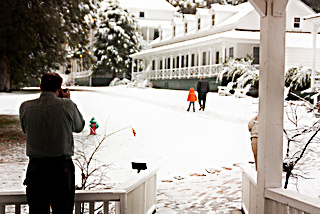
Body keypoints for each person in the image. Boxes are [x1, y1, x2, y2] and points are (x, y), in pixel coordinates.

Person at [19, 72, 85, 214]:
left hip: (36, 168)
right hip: (61, 167)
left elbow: (26, 129)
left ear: (41, 86)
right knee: (63, 210)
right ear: (59, 88)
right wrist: (66, 100)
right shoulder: (67, 105)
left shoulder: (26, 107)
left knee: (37, 210)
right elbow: (79, 126)